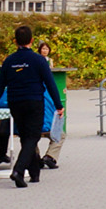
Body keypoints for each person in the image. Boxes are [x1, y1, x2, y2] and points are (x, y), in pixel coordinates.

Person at [0, 24, 61, 188]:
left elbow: (0, 84)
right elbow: (50, 84)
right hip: (34, 102)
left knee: (26, 137)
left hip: (15, 103)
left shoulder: (9, 60)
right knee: (32, 137)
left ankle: (34, 174)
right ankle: (18, 171)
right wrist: (58, 105)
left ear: (16, 42)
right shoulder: (38, 60)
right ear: (32, 40)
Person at [35, 40, 66, 169]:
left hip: (32, 126)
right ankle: (50, 156)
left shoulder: (30, 92)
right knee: (60, 134)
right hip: (46, 126)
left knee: (29, 138)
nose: (45, 50)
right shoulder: (49, 94)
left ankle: (35, 159)